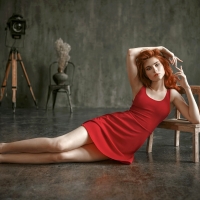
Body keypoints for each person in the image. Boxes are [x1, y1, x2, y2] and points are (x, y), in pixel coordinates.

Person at [0, 46, 199, 164]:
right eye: (149, 68)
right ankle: (3, 147)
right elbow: (131, 53)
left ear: (164, 66)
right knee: (58, 144)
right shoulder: (138, 86)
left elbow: (195, 119)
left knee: (61, 157)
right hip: (109, 126)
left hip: (125, 146)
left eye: (157, 64)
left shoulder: (172, 95)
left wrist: (187, 88)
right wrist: (161, 47)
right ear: (145, 73)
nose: (154, 70)